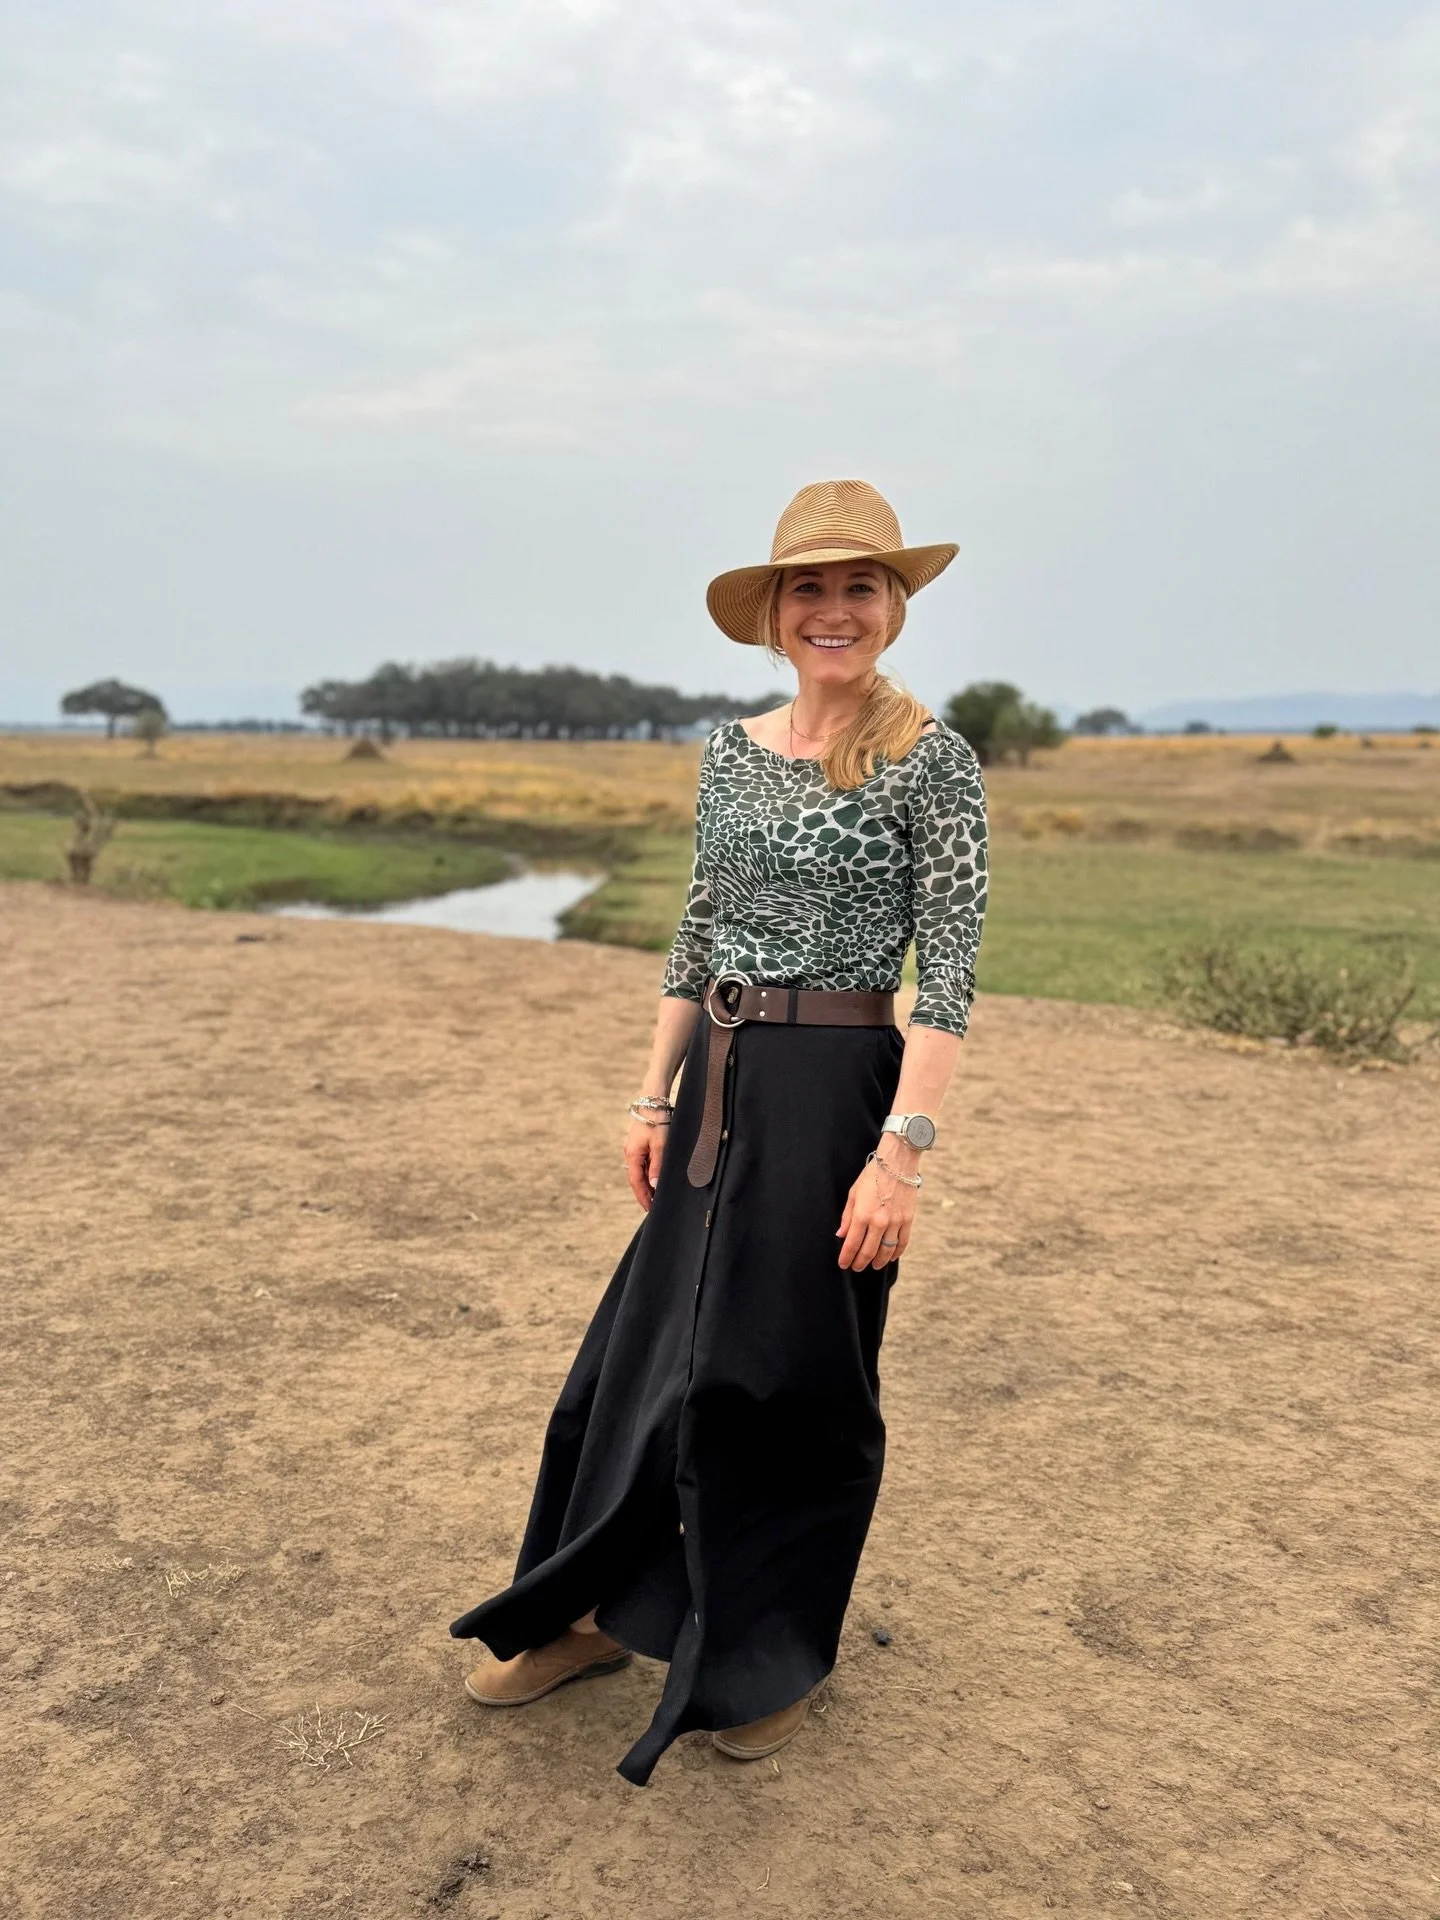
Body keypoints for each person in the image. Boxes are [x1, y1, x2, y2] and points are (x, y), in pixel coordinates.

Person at [450, 478, 988, 1786]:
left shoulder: (935, 761)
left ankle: (767, 1654)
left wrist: (900, 1155)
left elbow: (953, 977)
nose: (835, 610)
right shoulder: (730, 752)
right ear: (774, 612)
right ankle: (579, 1612)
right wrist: (652, 1094)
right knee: (645, 1354)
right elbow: (696, 937)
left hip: (841, 1091)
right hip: (717, 1089)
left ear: (895, 606)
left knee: (787, 1374)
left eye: (862, 586)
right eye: (811, 587)